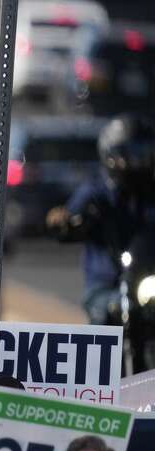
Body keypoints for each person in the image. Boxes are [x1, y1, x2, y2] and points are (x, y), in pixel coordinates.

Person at [47, 114, 155, 325]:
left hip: (147, 284)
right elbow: (67, 217)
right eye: (132, 154)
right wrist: (64, 221)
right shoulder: (96, 192)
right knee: (107, 317)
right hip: (105, 287)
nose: (138, 161)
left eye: (144, 153)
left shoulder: (150, 193)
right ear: (111, 155)